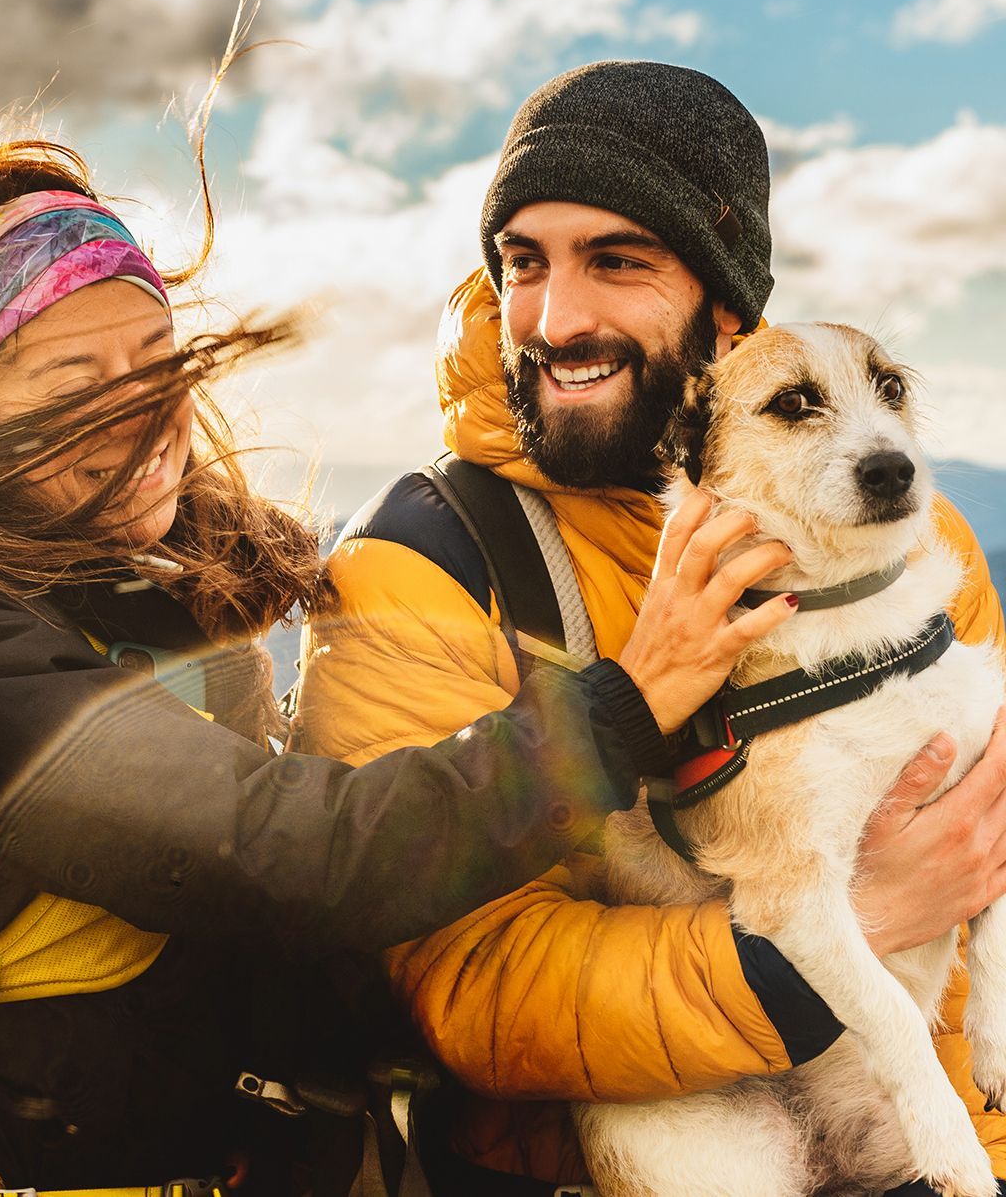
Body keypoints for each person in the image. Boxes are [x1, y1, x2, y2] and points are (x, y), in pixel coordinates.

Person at [0, 130, 783, 1197]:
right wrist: (619, 710)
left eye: (149, 356)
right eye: (67, 378)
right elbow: (283, 857)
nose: (138, 412)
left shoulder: (144, 602)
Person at [297, 61, 1006, 1195]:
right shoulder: (418, 562)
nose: (555, 317)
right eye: (522, 262)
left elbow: (983, 874)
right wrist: (811, 948)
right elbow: (472, 986)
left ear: (727, 307)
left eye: (617, 261)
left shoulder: (918, 540)